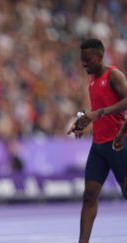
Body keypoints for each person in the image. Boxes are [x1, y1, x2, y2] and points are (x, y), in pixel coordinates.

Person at [68, 38, 127, 243]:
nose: (83, 63)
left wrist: (97, 114)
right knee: (89, 196)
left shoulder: (114, 75)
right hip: (99, 146)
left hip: (118, 143)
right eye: (81, 59)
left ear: (100, 56)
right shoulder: (92, 80)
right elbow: (95, 113)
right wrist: (82, 122)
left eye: (87, 59)